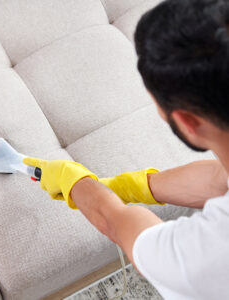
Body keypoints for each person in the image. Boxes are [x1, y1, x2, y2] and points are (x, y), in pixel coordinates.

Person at [23, 0, 229, 298]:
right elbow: (219, 181)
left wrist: (75, 182)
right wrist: (131, 186)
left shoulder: (201, 255)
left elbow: (117, 224)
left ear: (186, 122)